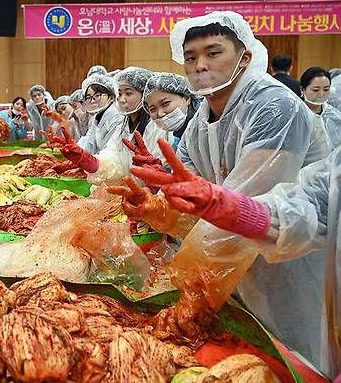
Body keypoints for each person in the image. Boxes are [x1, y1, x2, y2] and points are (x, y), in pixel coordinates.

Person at [117, 11, 330, 369]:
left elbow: (245, 210)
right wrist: (158, 209)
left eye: (213, 53)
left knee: (293, 362)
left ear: (244, 57)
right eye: (190, 57)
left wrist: (189, 290)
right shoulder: (202, 121)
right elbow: (194, 201)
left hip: (290, 267)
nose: (200, 65)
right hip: (236, 275)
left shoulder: (273, 107)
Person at [129, 138, 341, 380]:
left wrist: (224, 212)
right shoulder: (197, 130)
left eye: (165, 104)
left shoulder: (279, 114)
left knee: (299, 357)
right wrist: (229, 209)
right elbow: (311, 207)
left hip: (284, 281)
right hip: (243, 277)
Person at [141, 72, 201, 152]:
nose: (160, 114)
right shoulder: (180, 133)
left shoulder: (202, 126)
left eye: (165, 103)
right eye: (152, 109)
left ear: (186, 98)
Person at [300, 66, 341, 149]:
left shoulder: (334, 115)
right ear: (302, 90)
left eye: (326, 89)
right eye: (315, 90)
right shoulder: (296, 115)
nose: (321, 94)